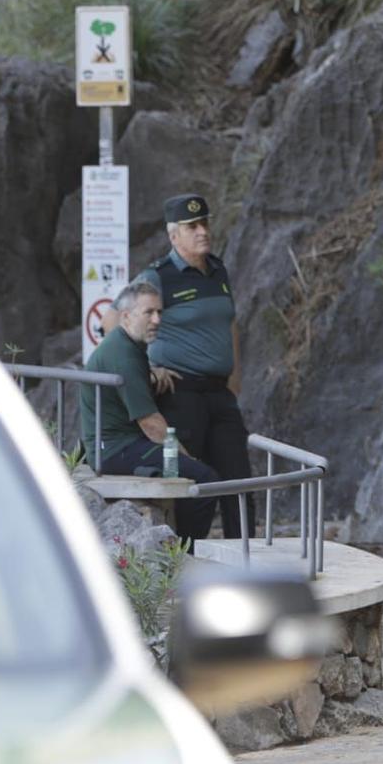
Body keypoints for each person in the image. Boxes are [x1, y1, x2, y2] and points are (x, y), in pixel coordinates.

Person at [142, 193, 251, 538]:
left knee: (239, 479)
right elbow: (117, 321)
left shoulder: (218, 270)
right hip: (180, 393)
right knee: (191, 480)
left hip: (219, 393)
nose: (202, 231)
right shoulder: (159, 277)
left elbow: (229, 323)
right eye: (192, 226)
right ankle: (186, 562)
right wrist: (146, 369)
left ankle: (243, 562)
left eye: (205, 223)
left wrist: (235, 376)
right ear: (174, 236)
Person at [80, 278, 220, 540]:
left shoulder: (127, 346)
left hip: (117, 444)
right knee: (204, 479)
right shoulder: (123, 355)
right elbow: (151, 425)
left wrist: (154, 376)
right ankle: (185, 556)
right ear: (126, 316)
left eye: (159, 312)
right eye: (148, 313)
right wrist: (187, 458)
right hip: (115, 451)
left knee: (190, 468)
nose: (156, 319)